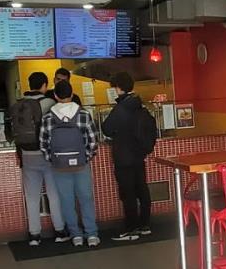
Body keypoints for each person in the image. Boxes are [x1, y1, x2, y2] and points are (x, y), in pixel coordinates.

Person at [40, 80, 100, 246]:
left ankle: (76, 235)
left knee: (66, 201)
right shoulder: (83, 114)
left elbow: (43, 144)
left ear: (55, 96)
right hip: (81, 165)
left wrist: (54, 160)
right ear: (72, 94)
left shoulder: (48, 117)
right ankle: (91, 234)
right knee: (86, 199)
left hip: (59, 167)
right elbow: (93, 141)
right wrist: (85, 157)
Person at [11, 72, 68, 245]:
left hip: (27, 155)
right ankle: (60, 231)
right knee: (53, 194)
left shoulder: (18, 105)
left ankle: (34, 235)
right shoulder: (49, 103)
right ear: (44, 85)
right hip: (47, 155)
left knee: (31, 196)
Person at [101, 71, 158, 240]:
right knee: (142, 189)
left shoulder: (121, 108)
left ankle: (131, 228)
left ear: (119, 88)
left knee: (128, 193)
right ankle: (145, 225)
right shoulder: (139, 105)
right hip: (139, 155)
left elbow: (106, 129)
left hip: (124, 156)